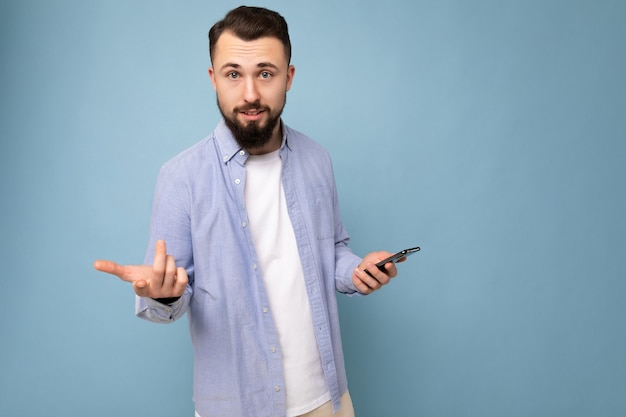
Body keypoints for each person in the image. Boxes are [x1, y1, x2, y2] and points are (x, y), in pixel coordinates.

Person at [94, 6, 402, 417]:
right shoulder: (180, 177)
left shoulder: (317, 159)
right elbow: (167, 293)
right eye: (234, 74)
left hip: (328, 397)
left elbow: (331, 252)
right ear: (213, 79)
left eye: (266, 73)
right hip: (236, 406)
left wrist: (357, 270)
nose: (251, 94)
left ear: (289, 77)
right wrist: (164, 295)